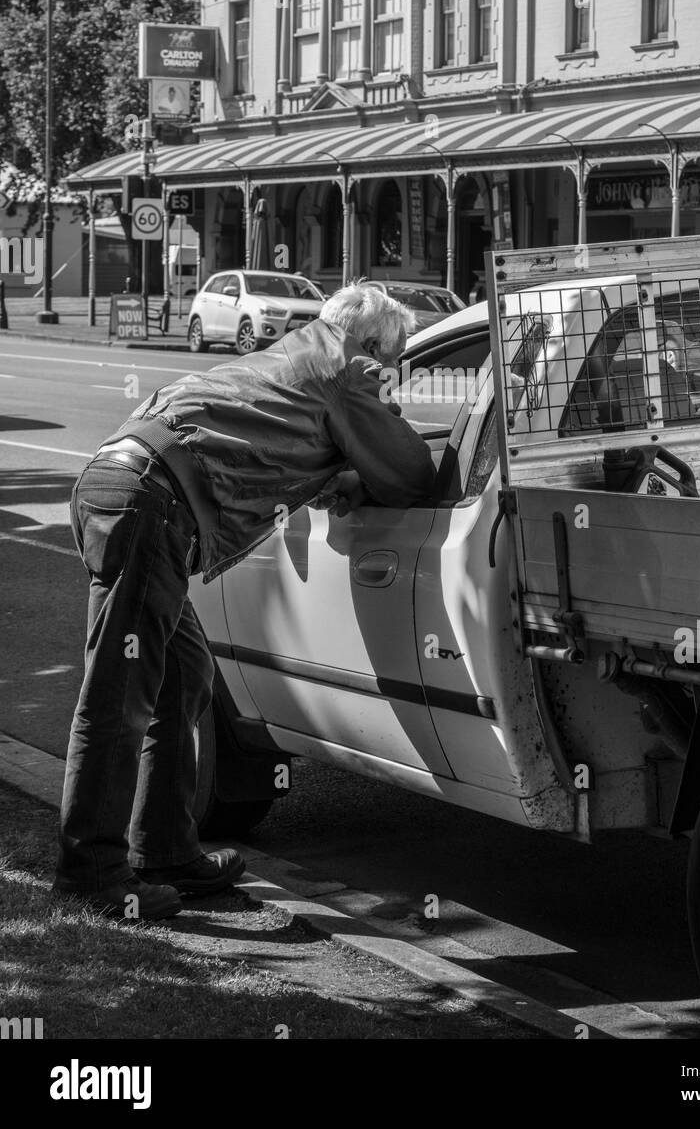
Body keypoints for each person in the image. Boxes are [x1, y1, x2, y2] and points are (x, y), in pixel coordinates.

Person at [55, 284, 435, 920]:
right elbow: (411, 473)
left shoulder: (294, 353)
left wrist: (329, 474)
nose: (391, 377)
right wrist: (356, 467)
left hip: (120, 484)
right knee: (120, 693)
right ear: (372, 344)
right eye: (392, 361)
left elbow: (268, 434)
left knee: (183, 675)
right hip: (152, 502)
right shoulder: (351, 366)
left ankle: (168, 851)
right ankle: (91, 869)